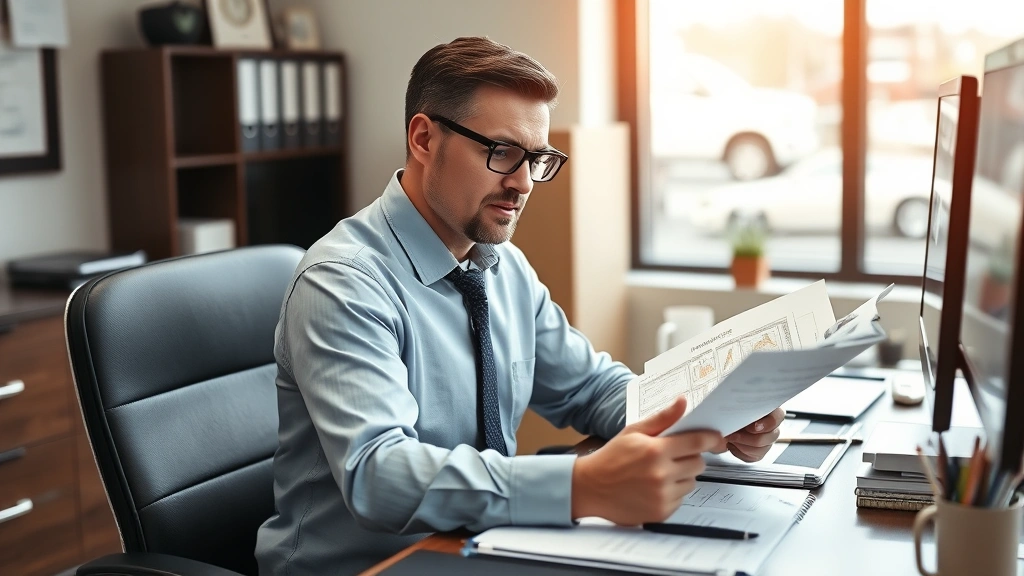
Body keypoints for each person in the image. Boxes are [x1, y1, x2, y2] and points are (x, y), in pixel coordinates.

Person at [254, 36, 785, 575]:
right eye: (503, 152)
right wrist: (581, 485)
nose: (524, 183)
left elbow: (590, 388)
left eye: (538, 159)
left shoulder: (500, 268)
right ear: (423, 138)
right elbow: (378, 474)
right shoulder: (344, 283)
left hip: (485, 551)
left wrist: (707, 410)